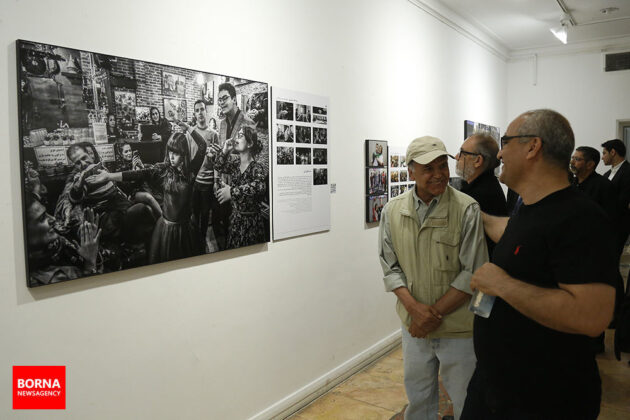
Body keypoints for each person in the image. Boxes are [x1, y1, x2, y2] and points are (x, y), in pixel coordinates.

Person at [461, 109, 617, 420]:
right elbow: (524, 239)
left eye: (505, 142)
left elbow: (592, 316)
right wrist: (471, 215)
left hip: (543, 397)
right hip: (495, 385)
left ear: (533, 147)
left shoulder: (581, 218)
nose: (500, 153)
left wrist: (501, 284)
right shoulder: (530, 209)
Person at [379, 136, 488, 420]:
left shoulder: (466, 209)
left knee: (466, 399)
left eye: (442, 165)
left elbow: (473, 272)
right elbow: (390, 267)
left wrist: (432, 315)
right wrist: (416, 312)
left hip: (458, 327)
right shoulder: (393, 211)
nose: (438, 174)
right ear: (411, 171)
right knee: (418, 398)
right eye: (428, 168)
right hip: (414, 328)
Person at [92, 131, 207, 263]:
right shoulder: (164, 170)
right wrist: (110, 176)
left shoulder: (190, 172)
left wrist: (188, 128)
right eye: (170, 152)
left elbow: (202, 145)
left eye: (176, 153)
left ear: (184, 153)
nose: (171, 157)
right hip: (166, 227)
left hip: (185, 228)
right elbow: (140, 173)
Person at [208, 126, 267, 249]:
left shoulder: (257, 167)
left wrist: (231, 192)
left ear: (250, 143)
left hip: (251, 223)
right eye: (237, 135)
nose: (236, 139)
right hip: (236, 219)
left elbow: (260, 186)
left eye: (240, 136)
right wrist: (224, 151)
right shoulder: (235, 164)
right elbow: (218, 166)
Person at [26, 193, 102, 286]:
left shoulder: (53, 245)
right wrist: (90, 263)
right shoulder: (42, 280)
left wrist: (84, 236)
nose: (52, 219)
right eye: (42, 218)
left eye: (46, 214)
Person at [215, 82, 256, 249]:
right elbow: (222, 153)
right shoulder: (221, 123)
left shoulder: (248, 122)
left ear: (234, 99)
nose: (222, 102)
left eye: (225, 98)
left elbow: (251, 158)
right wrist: (216, 177)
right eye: (219, 100)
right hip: (222, 182)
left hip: (239, 184)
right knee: (220, 224)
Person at [455, 133, 508, 256]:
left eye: (462, 153)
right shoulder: (485, 186)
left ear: (478, 161)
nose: (457, 157)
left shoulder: (481, 195)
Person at [178, 100, 220, 251]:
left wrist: (216, 179)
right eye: (197, 110)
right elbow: (187, 159)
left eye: (203, 109)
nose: (201, 112)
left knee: (205, 215)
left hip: (208, 182)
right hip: (194, 181)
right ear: (194, 114)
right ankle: (194, 242)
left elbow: (218, 161)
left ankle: (202, 244)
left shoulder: (213, 134)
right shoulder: (190, 134)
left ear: (206, 112)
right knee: (193, 213)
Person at [601, 138, 630, 255]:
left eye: (604, 153)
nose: (602, 157)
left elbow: (623, 201)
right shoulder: (606, 174)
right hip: (606, 224)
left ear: (613, 152)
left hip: (619, 225)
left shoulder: (628, 171)